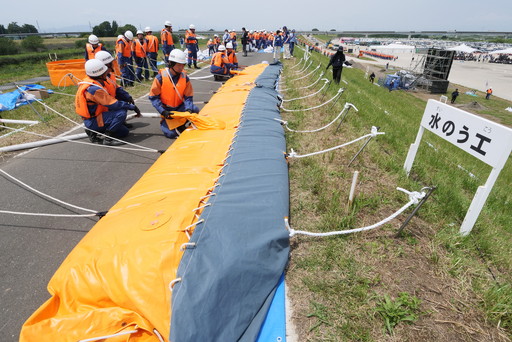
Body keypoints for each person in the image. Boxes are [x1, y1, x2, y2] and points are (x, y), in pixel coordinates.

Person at [75, 59, 140, 145]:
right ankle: (108, 139)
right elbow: (114, 104)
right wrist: (132, 107)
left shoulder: (94, 82)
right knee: (121, 112)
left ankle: (97, 131)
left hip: (98, 116)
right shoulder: (94, 89)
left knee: (124, 132)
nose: (107, 72)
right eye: (105, 71)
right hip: (93, 120)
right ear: (100, 74)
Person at [149, 49, 199, 139]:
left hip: (180, 107)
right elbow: (153, 97)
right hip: (167, 110)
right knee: (170, 134)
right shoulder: (160, 78)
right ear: (171, 64)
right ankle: (167, 122)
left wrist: (188, 109)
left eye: (183, 65)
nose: (181, 68)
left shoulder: (185, 78)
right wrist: (163, 111)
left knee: (194, 109)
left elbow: (188, 97)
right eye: (179, 65)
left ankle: (180, 123)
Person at [95, 50, 136, 129]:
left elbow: (117, 88)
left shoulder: (109, 76)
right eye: (110, 63)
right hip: (103, 108)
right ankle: (104, 129)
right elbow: (107, 100)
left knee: (123, 100)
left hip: (110, 102)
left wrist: (127, 97)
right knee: (122, 108)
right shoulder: (98, 80)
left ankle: (119, 122)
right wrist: (128, 106)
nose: (113, 65)